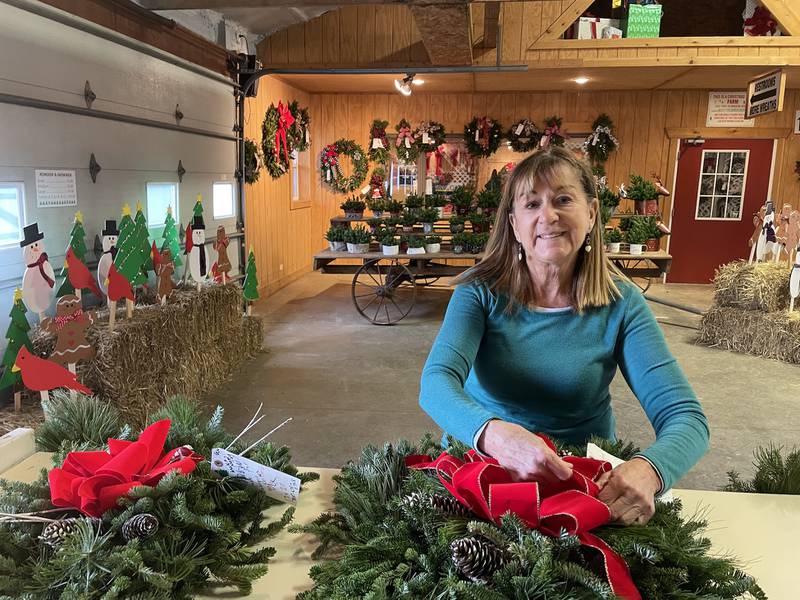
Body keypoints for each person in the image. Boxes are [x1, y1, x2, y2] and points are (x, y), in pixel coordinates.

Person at [419, 147, 709, 525]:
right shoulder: (479, 292)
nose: (548, 216)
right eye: (532, 203)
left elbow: (686, 417)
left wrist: (650, 469)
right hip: (481, 470)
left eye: (563, 199)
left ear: (590, 214)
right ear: (513, 223)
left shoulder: (622, 304)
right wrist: (495, 437)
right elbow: (435, 383)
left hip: (580, 485)